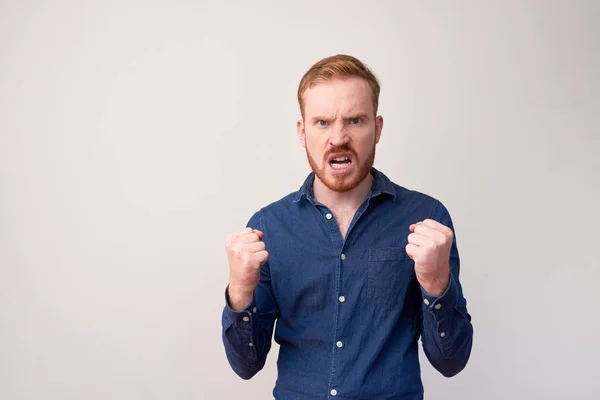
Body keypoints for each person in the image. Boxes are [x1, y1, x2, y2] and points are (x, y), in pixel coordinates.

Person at [221, 54, 473, 399]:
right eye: (322, 122)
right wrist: (239, 292)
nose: (338, 137)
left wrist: (435, 283)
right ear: (302, 131)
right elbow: (246, 365)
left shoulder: (426, 220)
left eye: (355, 120)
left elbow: (451, 362)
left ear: (377, 128)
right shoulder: (268, 228)